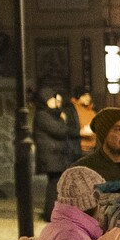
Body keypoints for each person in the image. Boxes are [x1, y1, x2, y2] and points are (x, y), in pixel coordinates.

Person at [34, 89, 79, 220]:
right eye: (52, 100)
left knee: (56, 185)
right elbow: (59, 131)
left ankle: (53, 212)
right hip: (51, 156)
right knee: (54, 185)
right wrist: (63, 120)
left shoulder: (51, 114)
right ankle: (50, 213)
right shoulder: (42, 115)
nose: (55, 103)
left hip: (55, 156)